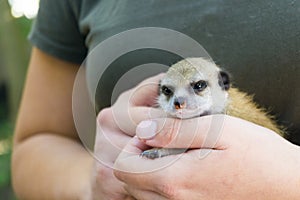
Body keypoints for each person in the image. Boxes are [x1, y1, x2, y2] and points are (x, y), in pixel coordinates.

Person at [12, 0, 299, 199]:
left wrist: (288, 182)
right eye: (168, 93)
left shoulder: (240, 113)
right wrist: (100, 181)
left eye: (198, 87)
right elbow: (36, 143)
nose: (179, 102)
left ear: (222, 86)